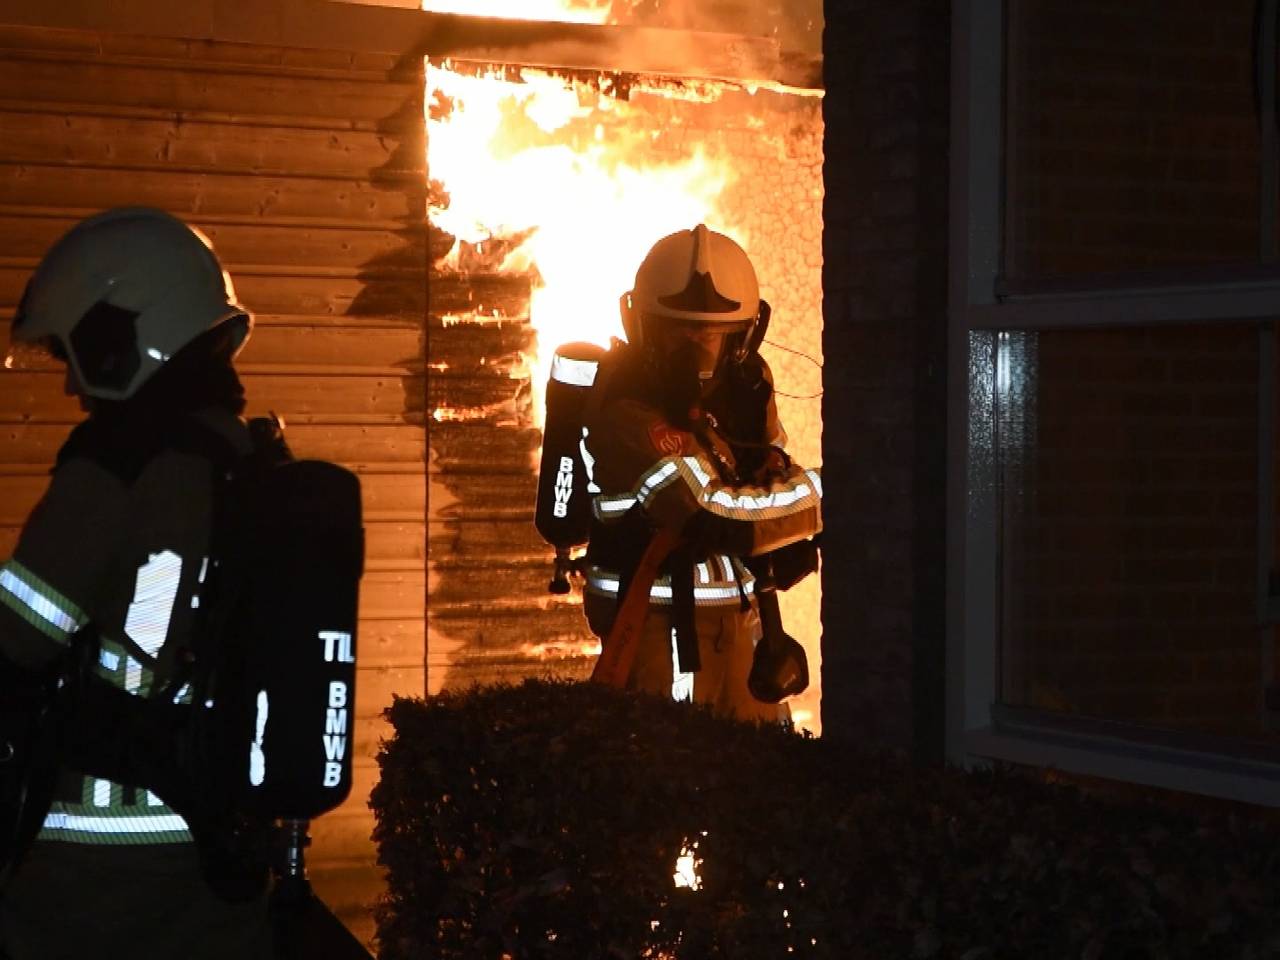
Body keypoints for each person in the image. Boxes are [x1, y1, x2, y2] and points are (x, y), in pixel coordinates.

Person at [0, 207, 273, 958]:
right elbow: (162, 623)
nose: (68, 387)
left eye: (71, 353)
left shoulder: (118, 464)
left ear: (119, 336)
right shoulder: (236, 457)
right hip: (212, 849)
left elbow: (18, 636)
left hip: (90, 875)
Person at [581, 224, 822, 722]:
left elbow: (772, 477)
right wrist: (827, 494)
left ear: (743, 337)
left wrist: (788, 515)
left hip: (739, 619)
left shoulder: (745, 394)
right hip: (655, 623)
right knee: (678, 779)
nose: (693, 352)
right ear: (643, 329)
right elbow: (718, 515)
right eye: (677, 334)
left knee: (762, 771)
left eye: (710, 336)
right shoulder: (627, 410)